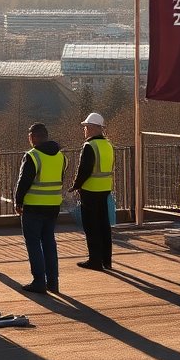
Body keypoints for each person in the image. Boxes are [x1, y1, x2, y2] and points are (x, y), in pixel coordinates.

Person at [15, 122, 64, 294]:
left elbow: (24, 182)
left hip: (34, 207)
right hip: (53, 205)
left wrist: (18, 201)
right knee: (49, 242)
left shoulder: (32, 156)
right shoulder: (60, 156)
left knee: (34, 243)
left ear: (33, 137)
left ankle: (39, 281)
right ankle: (53, 282)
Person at [71, 112, 114, 271]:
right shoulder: (108, 145)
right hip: (105, 189)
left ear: (94, 128)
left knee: (91, 226)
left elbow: (84, 169)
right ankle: (106, 260)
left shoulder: (90, 146)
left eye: (87, 127)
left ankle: (94, 260)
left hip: (90, 190)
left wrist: (76, 185)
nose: (85, 130)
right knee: (104, 225)